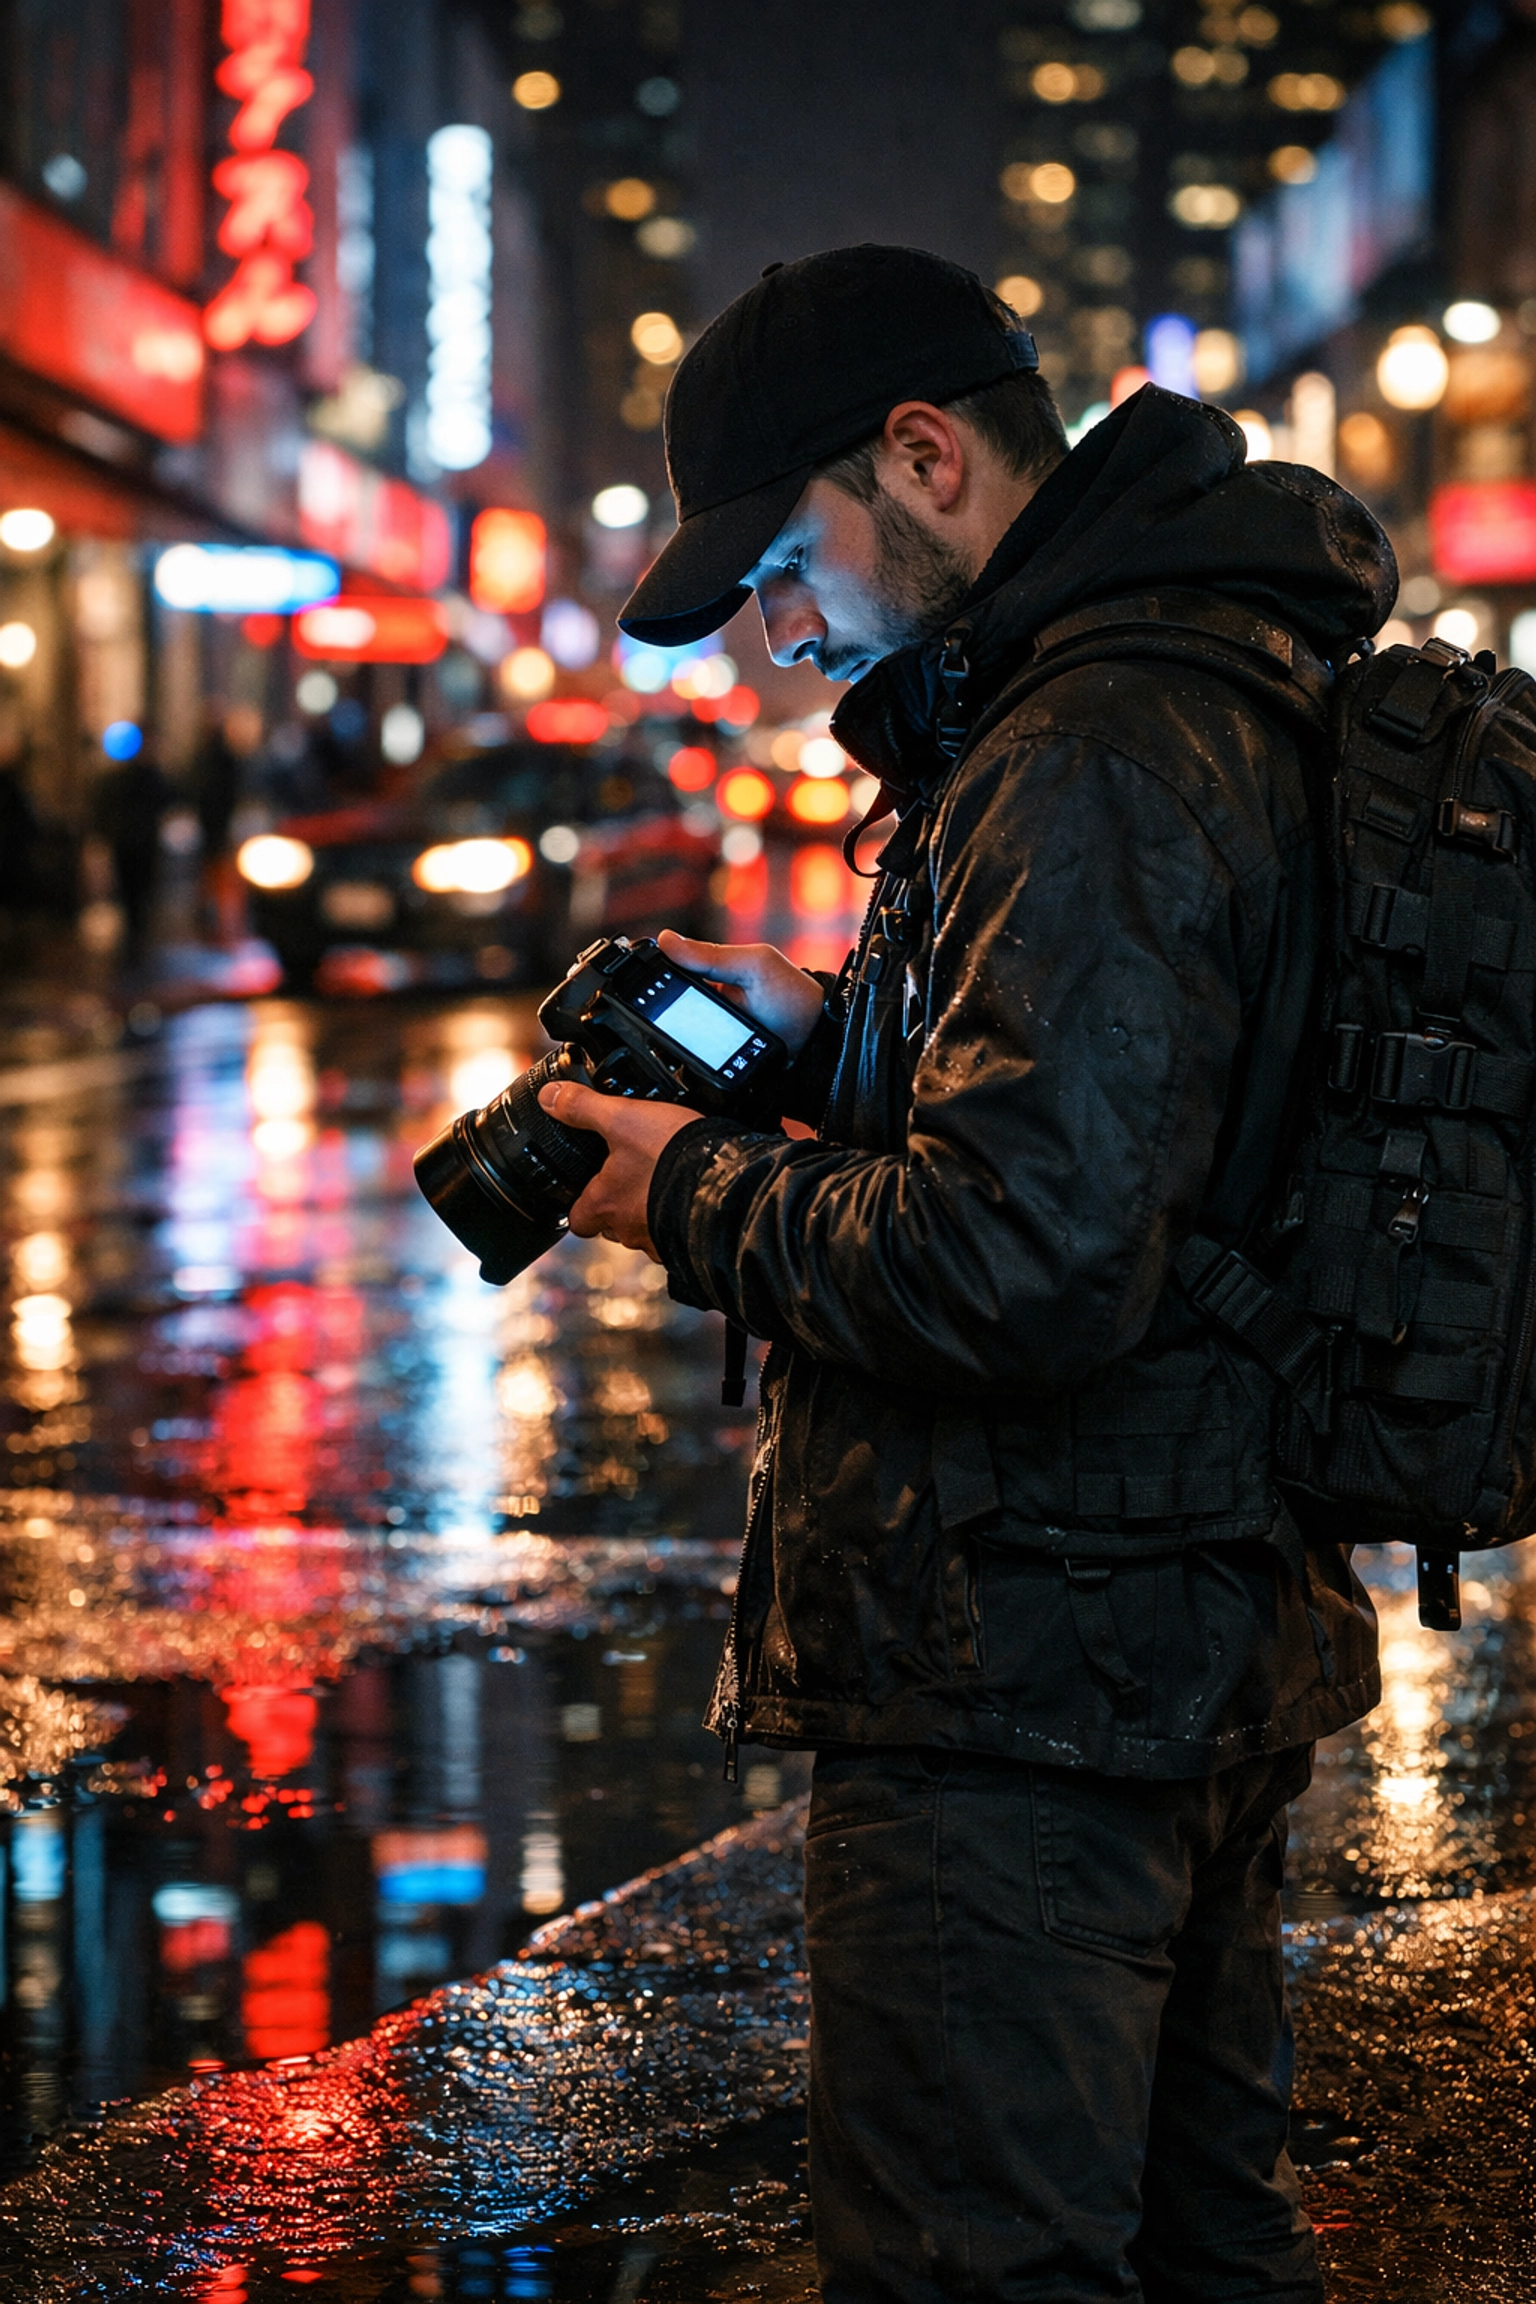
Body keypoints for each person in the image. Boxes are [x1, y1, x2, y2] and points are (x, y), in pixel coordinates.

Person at [538, 246, 1389, 2303]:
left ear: (923, 457)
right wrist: (833, 1035)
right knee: (1196, 2248)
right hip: (1161, 1623)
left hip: (1026, 1673)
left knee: (975, 2269)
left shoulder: (1089, 740)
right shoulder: (1154, 677)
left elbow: (1025, 1257)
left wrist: (689, 1188)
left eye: (783, 566)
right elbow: (1143, 1113)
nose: (779, 633)